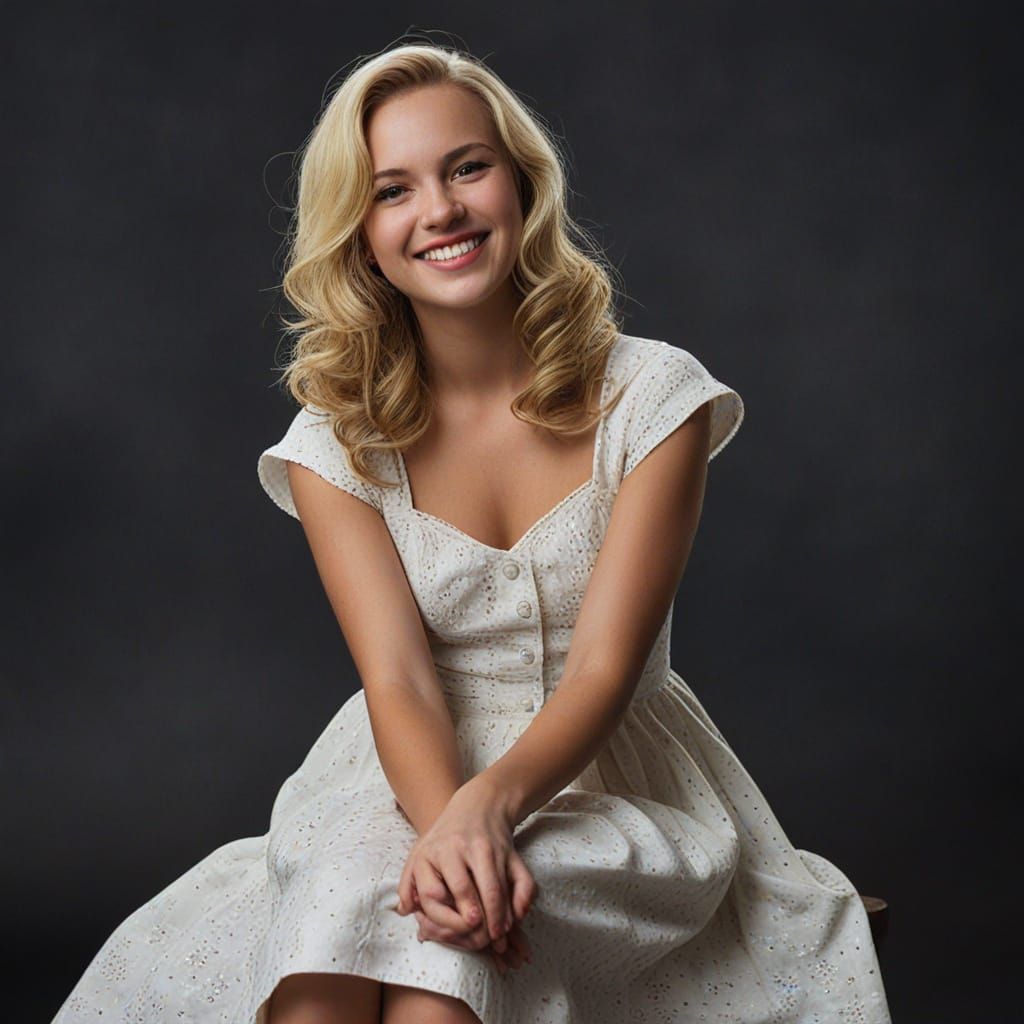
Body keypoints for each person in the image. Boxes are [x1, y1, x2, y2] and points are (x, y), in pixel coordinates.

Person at [52, 41, 892, 1024]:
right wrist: (446, 826)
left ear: (523, 186)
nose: (439, 210)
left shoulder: (653, 397)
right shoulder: (336, 438)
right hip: (397, 763)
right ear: (360, 234)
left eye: (466, 167)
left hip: (605, 773)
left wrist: (486, 819)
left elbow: (602, 670)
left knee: (441, 973)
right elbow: (398, 679)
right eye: (392, 189)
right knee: (317, 982)